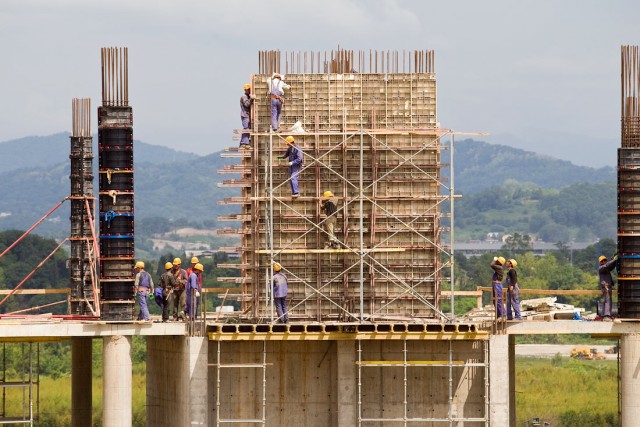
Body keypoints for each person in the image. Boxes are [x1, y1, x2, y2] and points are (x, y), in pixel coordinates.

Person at [598, 254, 618, 320]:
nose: (604, 261)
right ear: (600, 262)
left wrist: (614, 261)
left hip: (608, 286)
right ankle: (606, 315)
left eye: (605, 260)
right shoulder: (601, 268)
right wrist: (614, 260)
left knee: (608, 300)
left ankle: (605, 315)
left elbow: (610, 266)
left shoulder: (606, 269)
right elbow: (607, 265)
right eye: (603, 260)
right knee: (607, 300)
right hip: (605, 286)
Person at [240, 83, 254, 148]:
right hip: (245, 115)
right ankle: (244, 143)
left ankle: (244, 142)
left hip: (247, 115)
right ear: (245, 90)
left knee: (247, 128)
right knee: (246, 128)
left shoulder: (247, 96)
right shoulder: (244, 97)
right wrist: (251, 99)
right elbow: (247, 104)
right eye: (248, 90)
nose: (249, 91)